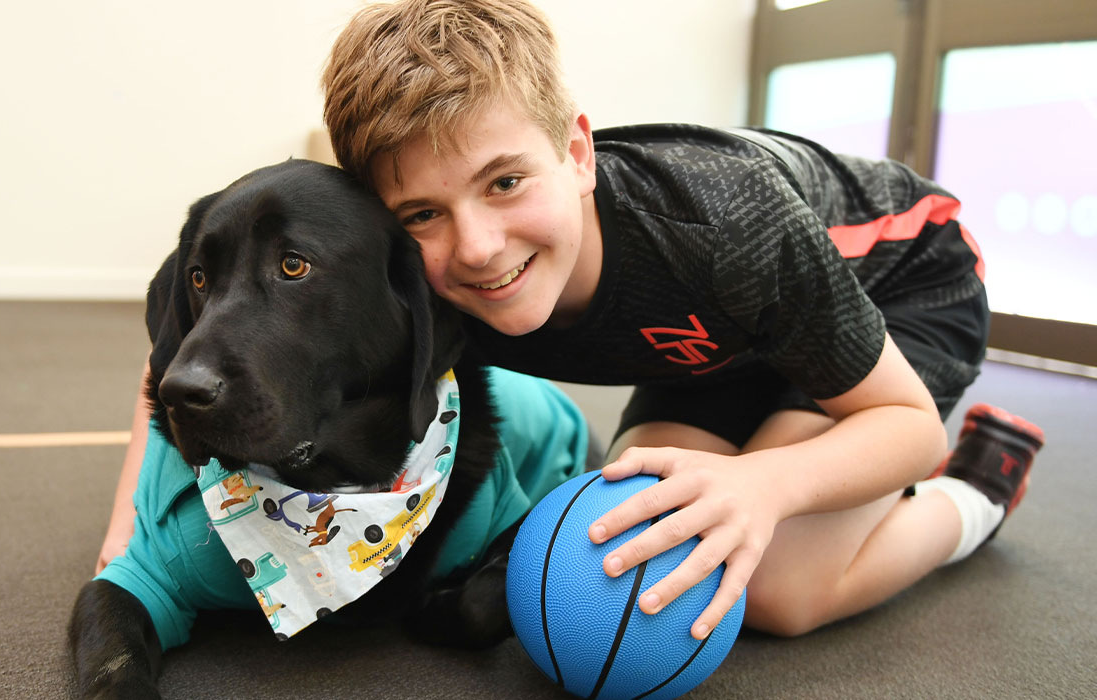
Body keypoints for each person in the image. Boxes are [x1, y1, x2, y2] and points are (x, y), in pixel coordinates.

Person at [317, 0, 1046, 640]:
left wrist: (767, 481)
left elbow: (907, 426)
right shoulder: (419, 277)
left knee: (774, 589)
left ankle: (976, 494)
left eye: (505, 182)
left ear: (576, 154)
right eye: (422, 214)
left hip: (902, 279)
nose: (477, 248)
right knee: (633, 557)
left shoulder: (721, 223)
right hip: (715, 343)